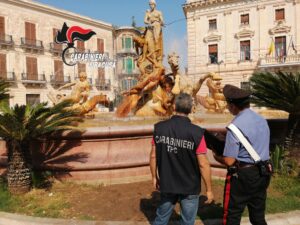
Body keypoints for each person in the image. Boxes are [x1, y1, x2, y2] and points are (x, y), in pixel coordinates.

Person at [150, 93, 214, 225]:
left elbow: (153, 155)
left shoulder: (159, 128)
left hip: (167, 183)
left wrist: (154, 177)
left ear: (173, 107)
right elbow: (203, 164)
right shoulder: (197, 133)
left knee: (161, 219)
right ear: (191, 109)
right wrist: (208, 189)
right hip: (190, 185)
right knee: (187, 222)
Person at [213, 84, 271, 225]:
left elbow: (229, 161)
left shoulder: (235, 126)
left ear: (232, 105)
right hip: (264, 171)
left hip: (244, 176)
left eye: (228, 104)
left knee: (232, 215)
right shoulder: (262, 120)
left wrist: (216, 156)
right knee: (258, 215)